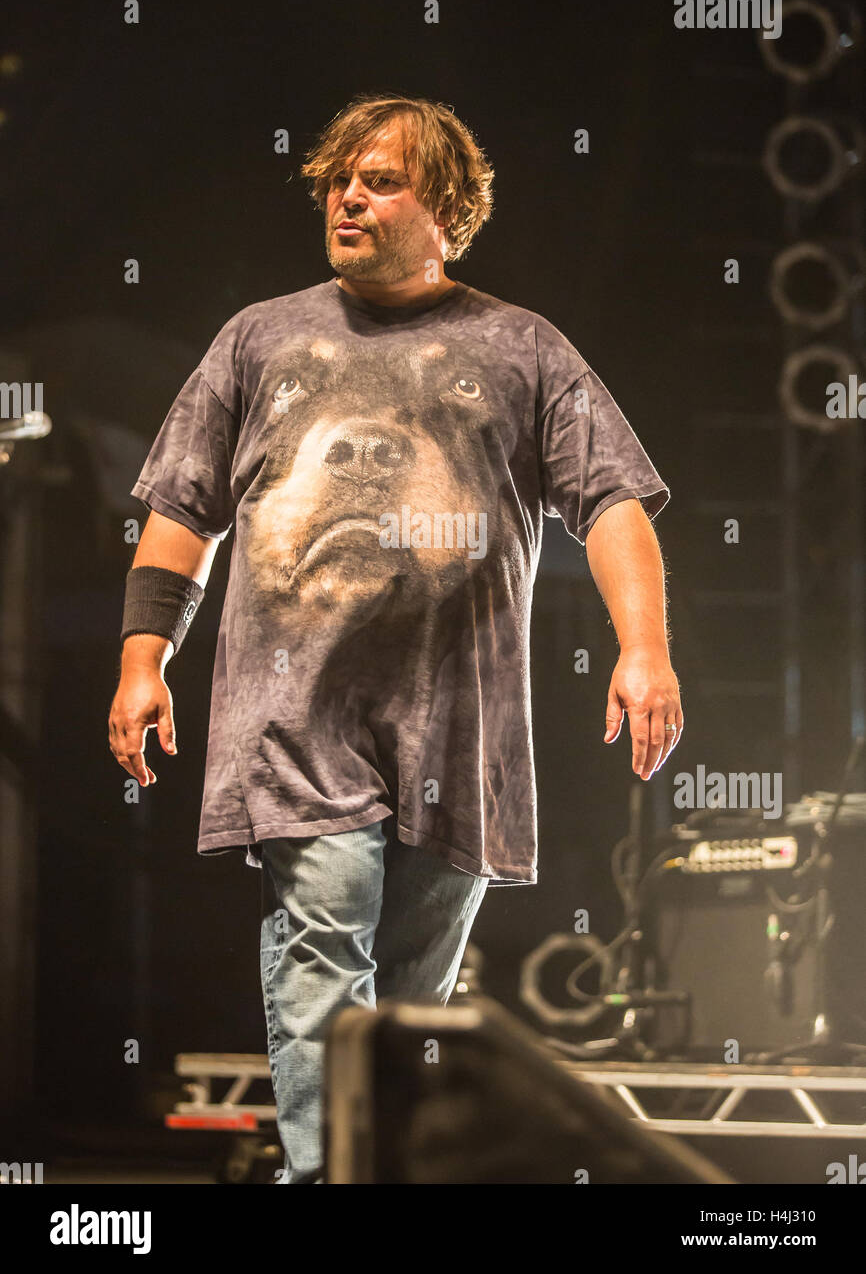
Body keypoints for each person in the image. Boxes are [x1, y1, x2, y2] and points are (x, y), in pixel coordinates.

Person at [108, 93, 683, 1183]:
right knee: (321, 943)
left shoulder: (520, 346)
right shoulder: (259, 338)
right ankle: (333, 1179)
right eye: (338, 180)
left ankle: (381, 1171)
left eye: (381, 181)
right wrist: (145, 658)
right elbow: (182, 508)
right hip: (295, 722)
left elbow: (612, 500)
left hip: (454, 736)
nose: (349, 197)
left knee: (415, 1007)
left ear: (449, 211)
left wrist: (641, 646)